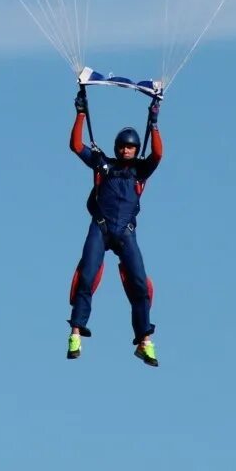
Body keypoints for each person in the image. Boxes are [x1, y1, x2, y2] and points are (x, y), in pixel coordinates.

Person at [66, 88, 163, 366]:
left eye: (130, 147)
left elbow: (157, 154)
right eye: (122, 147)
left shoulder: (140, 170)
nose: (125, 150)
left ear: (135, 149)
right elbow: (76, 145)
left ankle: (144, 341)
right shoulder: (103, 164)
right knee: (87, 275)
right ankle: (75, 333)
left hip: (125, 234)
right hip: (101, 228)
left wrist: (154, 123)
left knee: (140, 285)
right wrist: (81, 113)